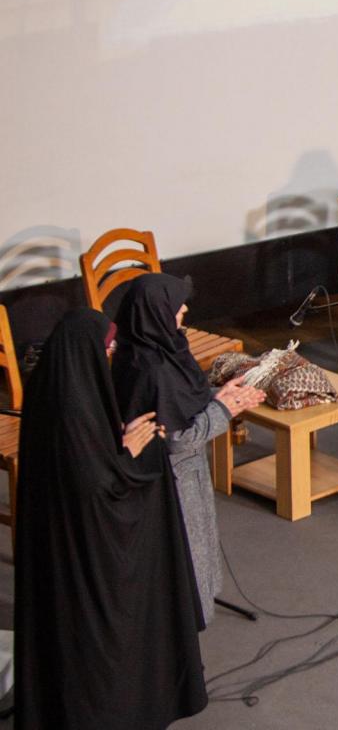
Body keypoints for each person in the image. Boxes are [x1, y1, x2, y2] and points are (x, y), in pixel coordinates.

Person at [15, 309, 208, 729]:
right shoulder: (70, 405)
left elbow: (85, 457)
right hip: (85, 562)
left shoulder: (55, 384)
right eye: (108, 348)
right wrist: (132, 454)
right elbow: (94, 487)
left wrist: (116, 443)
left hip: (58, 547)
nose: (112, 354)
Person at [112, 273, 264, 625]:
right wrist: (225, 409)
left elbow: (181, 399)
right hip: (173, 480)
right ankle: (185, 625)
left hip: (180, 474)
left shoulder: (149, 349)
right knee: (185, 556)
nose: (184, 309)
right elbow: (179, 438)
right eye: (177, 306)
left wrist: (218, 395)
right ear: (157, 312)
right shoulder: (153, 369)